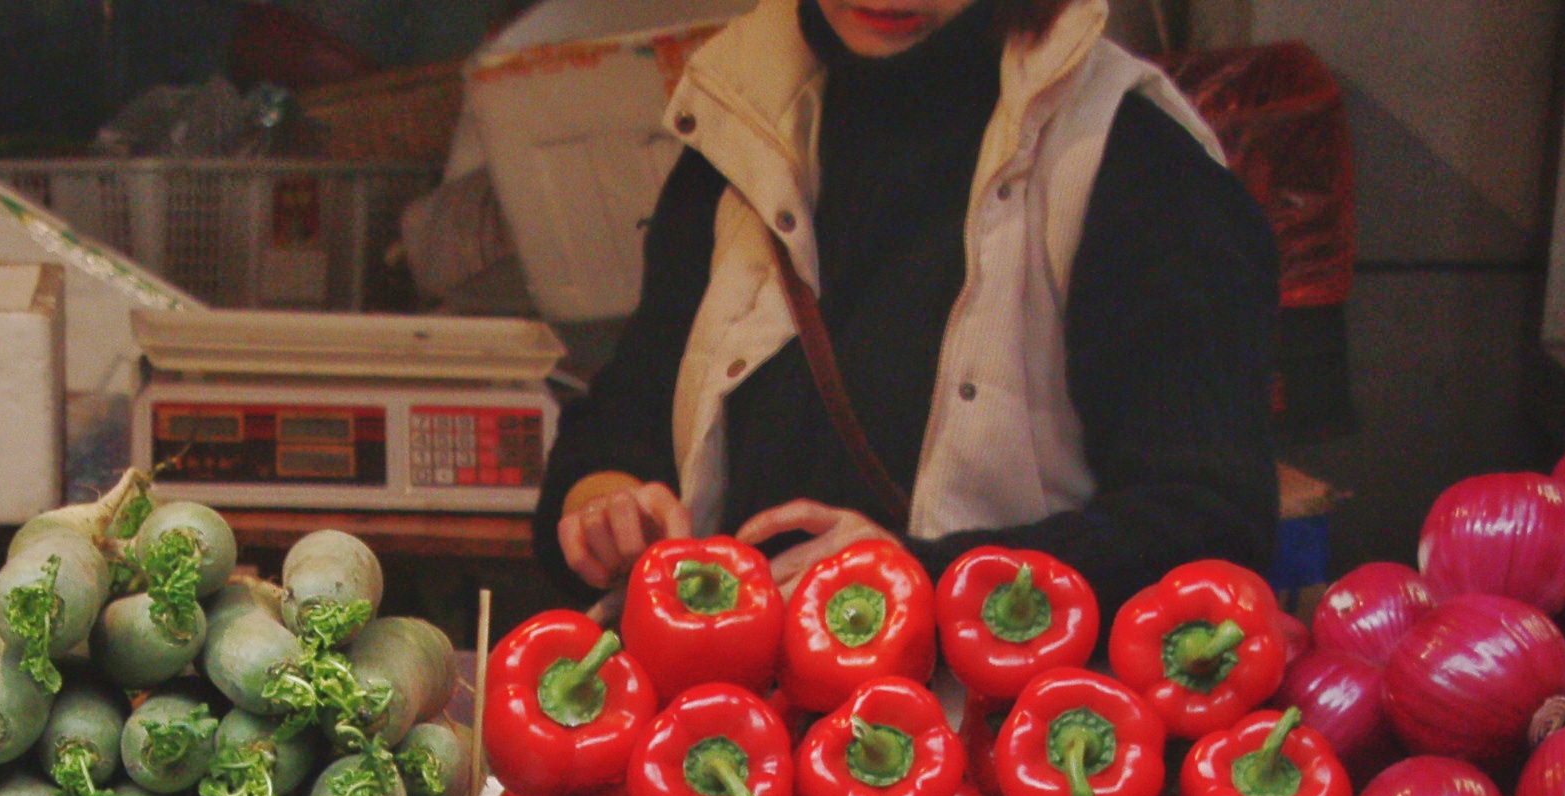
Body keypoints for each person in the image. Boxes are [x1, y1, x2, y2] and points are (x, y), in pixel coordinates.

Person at [535, 0, 1279, 607]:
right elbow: (634, 410)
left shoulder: (1136, 167)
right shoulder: (739, 126)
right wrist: (603, 502)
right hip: (730, 736)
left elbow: (1209, 529)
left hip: (1012, 757)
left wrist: (923, 574)